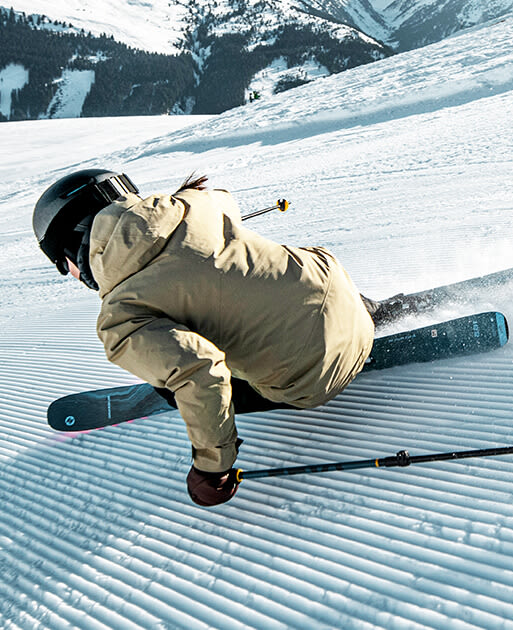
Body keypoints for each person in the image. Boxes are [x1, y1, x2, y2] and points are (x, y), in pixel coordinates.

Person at [33, 169, 384, 507]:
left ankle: (176, 380)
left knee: (177, 379)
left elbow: (201, 371)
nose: (76, 276)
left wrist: (211, 468)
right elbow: (221, 213)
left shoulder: (120, 316)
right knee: (254, 266)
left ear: (77, 245)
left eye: (66, 266)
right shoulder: (195, 203)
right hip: (340, 291)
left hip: (312, 377)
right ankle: (370, 309)